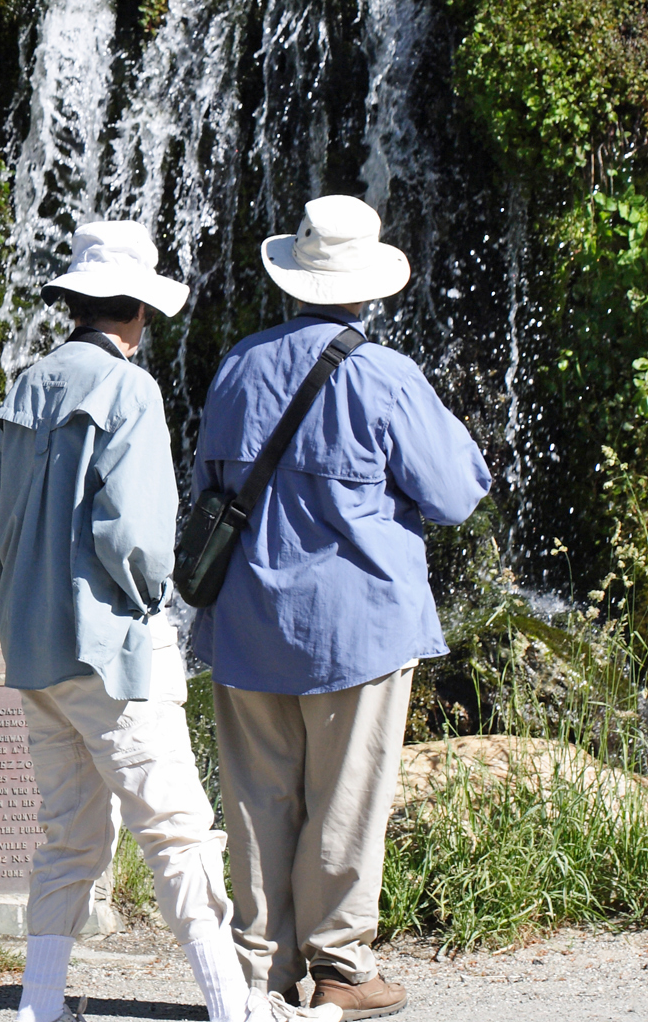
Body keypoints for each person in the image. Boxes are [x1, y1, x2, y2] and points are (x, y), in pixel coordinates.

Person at [0, 222, 335, 1022]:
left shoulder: (23, 385)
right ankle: (233, 1008)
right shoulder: (130, 391)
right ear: (139, 311)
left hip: (34, 654)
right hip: (113, 650)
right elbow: (134, 536)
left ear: (75, 302)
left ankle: (40, 1006)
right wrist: (152, 601)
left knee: (68, 836)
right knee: (176, 828)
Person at [192, 195, 492, 1019]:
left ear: (292, 277)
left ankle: (256, 967)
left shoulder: (237, 366)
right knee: (347, 795)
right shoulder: (387, 377)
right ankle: (340, 967)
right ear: (368, 289)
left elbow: (205, 490)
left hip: (249, 619)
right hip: (357, 625)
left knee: (255, 797)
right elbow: (457, 492)